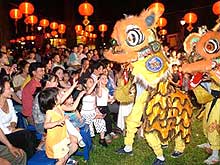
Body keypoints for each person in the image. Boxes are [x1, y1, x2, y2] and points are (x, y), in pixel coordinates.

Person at [39, 82, 79, 165]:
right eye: (59, 95)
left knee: (65, 156)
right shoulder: (50, 112)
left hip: (62, 138)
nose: (61, 96)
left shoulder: (58, 106)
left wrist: (73, 86)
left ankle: (66, 161)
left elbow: (65, 95)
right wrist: (57, 122)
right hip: (55, 142)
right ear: (53, 100)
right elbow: (46, 125)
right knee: (61, 161)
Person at [0, 78, 36, 159]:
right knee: (26, 135)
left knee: (31, 136)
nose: (12, 90)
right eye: (9, 88)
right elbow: (0, 128)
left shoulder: (8, 101)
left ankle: (30, 158)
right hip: (3, 136)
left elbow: (14, 116)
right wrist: (15, 130)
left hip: (11, 130)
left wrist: (13, 125)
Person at [80, 77, 107, 147]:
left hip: (92, 112)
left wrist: (100, 84)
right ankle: (89, 141)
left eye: (92, 81)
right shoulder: (83, 91)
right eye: (90, 82)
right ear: (85, 84)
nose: (92, 83)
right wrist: (95, 83)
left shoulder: (94, 92)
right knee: (89, 124)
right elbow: (88, 92)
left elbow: (98, 98)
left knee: (101, 121)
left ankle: (102, 139)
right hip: (85, 113)